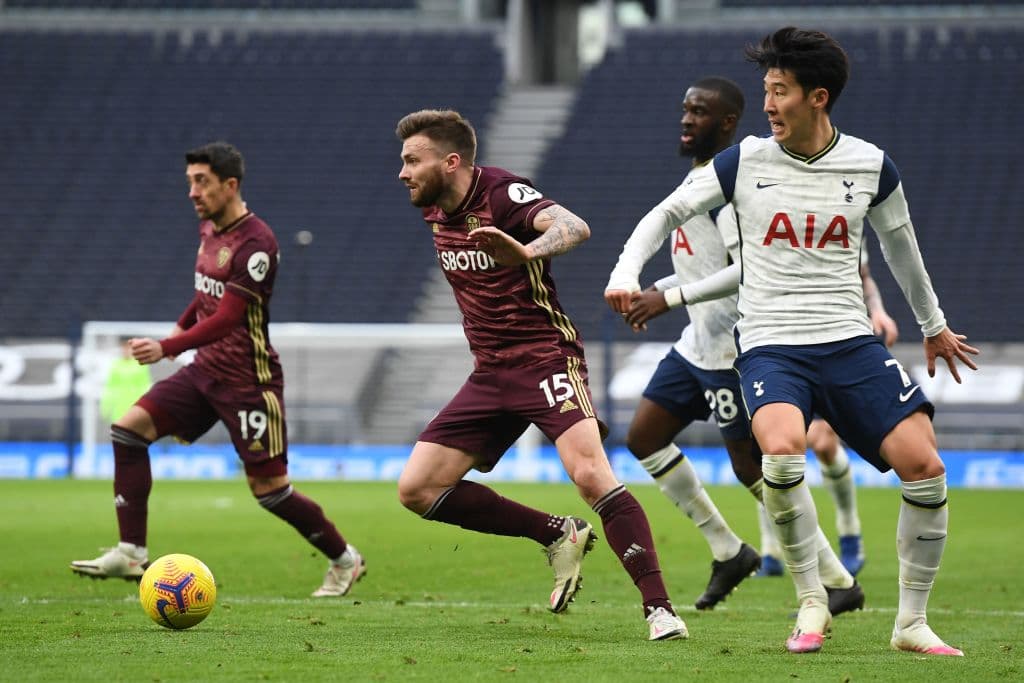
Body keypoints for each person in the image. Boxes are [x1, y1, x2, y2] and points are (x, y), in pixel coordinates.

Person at [606, 28, 978, 655]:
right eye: (766, 91)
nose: (769, 104)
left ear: (818, 97)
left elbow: (902, 252)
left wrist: (932, 325)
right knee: (779, 453)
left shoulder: (870, 165)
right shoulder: (744, 161)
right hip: (773, 343)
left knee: (927, 469)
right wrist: (625, 272)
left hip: (851, 343)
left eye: (780, 91)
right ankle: (812, 601)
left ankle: (911, 623)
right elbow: (664, 213)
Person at [395, 109, 686, 641]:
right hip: (489, 373)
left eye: (413, 160)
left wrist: (523, 250)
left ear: (451, 161)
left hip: (544, 358)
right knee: (416, 488)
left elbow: (574, 226)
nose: (403, 172)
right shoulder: (437, 209)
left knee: (591, 476)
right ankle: (556, 534)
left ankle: (659, 610)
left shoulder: (502, 193)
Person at [71, 142, 365, 598]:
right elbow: (204, 295)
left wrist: (167, 347)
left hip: (249, 382)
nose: (192, 191)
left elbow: (228, 316)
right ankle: (131, 551)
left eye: (201, 181)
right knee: (127, 432)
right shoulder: (209, 228)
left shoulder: (256, 243)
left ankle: (345, 560)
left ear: (230, 185)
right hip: (205, 371)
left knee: (270, 491)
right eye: (190, 181)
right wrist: (181, 326)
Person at [615, 76, 863, 617]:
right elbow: (701, 261)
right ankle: (729, 550)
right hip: (695, 344)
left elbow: (747, 268)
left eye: (699, 112)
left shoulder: (735, 187)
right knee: (644, 438)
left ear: (728, 122)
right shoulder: (699, 179)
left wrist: (670, 297)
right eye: (684, 108)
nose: (686, 119)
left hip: (735, 350)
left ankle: (837, 579)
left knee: (753, 470)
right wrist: (657, 289)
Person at [756, 250, 900, 578]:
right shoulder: (761, 211)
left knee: (822, 442)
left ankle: (850, 534)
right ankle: (771, 552)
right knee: (767, 444)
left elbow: (863, 275)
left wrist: (877, 311)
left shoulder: (842, 207)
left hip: (833, 341)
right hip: (776, 345)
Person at [100, 338, 153, 424]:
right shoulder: (116, 365)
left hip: (136, 408)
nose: (126, 351)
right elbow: (110, 387)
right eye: (124, 348)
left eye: (129, 348)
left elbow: (145, 387)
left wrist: (146, 408)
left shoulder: (141, 365)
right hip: (119, 409)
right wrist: (105, 407)